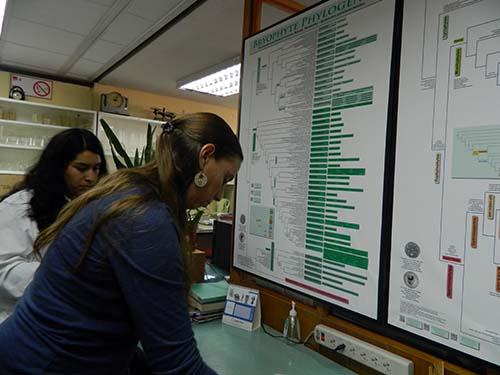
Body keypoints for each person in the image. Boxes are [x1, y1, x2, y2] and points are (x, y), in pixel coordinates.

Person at [0, 112, 243, 374]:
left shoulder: (127, 190)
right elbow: (178, 365)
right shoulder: (147, 220)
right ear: (205, 156)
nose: (220, 193)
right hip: (43, 364)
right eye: (226, 178)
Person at [0, 128, 108, 323]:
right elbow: (4, 270)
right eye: (81, 168)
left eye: (96, 169)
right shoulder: (18, 206)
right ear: (58, 168)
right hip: (18, 319)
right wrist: (66, 278)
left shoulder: (88, 206)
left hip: (66, 317)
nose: (91, 177)